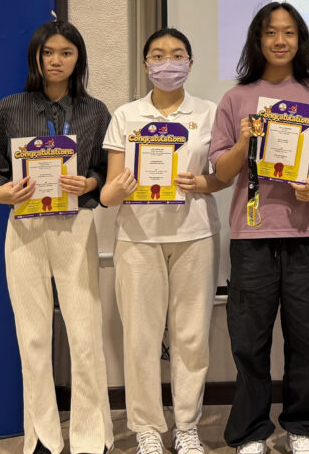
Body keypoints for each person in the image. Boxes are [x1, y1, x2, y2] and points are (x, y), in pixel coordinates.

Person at [210, 3, 309, 454]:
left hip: (304, 232)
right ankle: (251, 433)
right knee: (249, 338)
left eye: (288, 32)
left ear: (300, 39)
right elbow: (222, 173)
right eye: (270, 33)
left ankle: (304, 428)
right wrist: (245, 141)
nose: (279, 41)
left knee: (307, 336)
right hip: (252, 234)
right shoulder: (236, 98)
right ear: (257, 39)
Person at [0, 20, 114, 454]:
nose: (56, 61)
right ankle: (40, 437)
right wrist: (4, 193)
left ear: (79, 59)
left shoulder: (95, 111)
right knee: (33, 335)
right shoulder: (9, 108)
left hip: (75, 225)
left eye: (66, 53)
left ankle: (92, 437)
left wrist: (89, 184)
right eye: (48, 53)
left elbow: (101, 172)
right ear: (36, 58)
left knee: (84, 332)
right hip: (24, 227)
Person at [100, 28, 228, 454]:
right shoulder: (126, 115)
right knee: (141, 335)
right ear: (145, 64)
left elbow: (220, 176)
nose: (167, 63)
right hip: (138, 237)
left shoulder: (209, 113)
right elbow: (111, 190)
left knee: (191, 336)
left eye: (177, 55)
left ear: (190, 64)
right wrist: (118, 189)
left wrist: (202, 182)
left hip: (195, 235)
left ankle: (187, 426)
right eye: (158, 55)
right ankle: (148, 429)